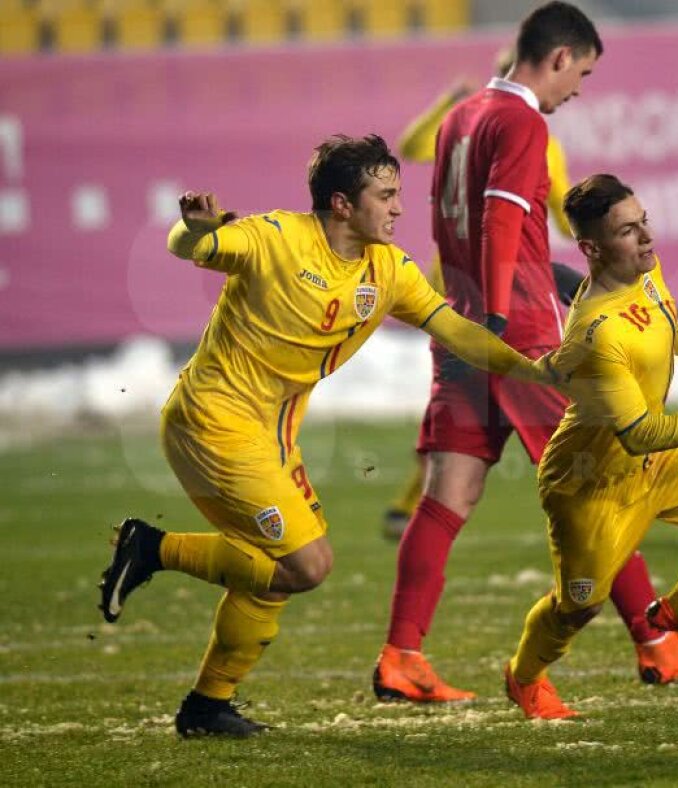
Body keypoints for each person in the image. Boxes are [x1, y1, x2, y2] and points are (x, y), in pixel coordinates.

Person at [97, 134, 556, 737]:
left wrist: (533, 368)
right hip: (211, 423)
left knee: (272, 579)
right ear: (342, 204)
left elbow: (456, 331)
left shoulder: (388, 269)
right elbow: (190, 245)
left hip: (270, 438)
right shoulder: (276, 239)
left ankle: (205, 707)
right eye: (385, 195)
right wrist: (194, 229)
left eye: (398, 194)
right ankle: (152, 548)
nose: (398, 208)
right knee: (306, 565)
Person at [374, 2, 678, 705]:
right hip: (520, 333)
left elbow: (471, 225)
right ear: (558, 57)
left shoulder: (458, 118)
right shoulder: (523, 120)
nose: (579, 90)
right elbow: (503, 217)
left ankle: (401, 654)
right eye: (582, 73)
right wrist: (507, 313)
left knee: (448, 494)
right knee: (604, 482)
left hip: (458, 329)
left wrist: (485, 313)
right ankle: (656, 642)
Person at [502, 174, 678, 719]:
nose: (647, 238)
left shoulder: (643, 271)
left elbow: (664, 311)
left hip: (658, 460)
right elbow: (639, 434)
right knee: (578, 607)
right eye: (628, 231)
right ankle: (525, 676)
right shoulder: (599, 332)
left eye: (643, 222)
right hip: (591, 482)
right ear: (591, 249)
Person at [381, 44, 582, 540]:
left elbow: (411, 147)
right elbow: (557, 214)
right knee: (540, 414)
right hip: (500, 299)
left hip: (456, 293)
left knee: (458, 408)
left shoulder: (462, 128)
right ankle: (598, 525)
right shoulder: (528, 137)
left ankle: (412, 506)